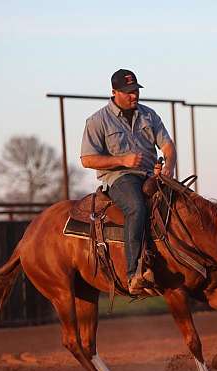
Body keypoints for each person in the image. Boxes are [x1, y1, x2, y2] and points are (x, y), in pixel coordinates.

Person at [80, 69, 176, 295]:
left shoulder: (149, 116)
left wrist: (168, 168)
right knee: (136, 207)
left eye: (135, 91)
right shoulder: (97, 121)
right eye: (128, 92)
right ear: (114, 92)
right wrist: (122, 160)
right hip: (119, 178)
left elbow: (168, 147)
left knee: (183, 205)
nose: (134, 96)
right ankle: (134, 274)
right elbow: (87, 159)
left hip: (152, 176)